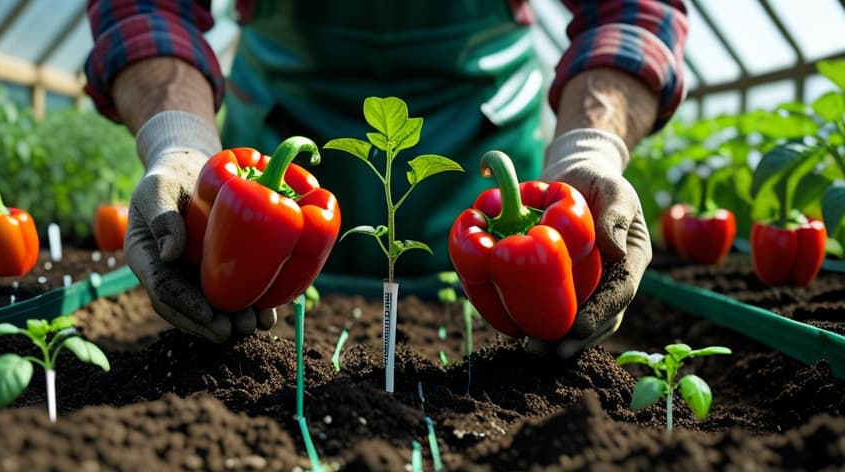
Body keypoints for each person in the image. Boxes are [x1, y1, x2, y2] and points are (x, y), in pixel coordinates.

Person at [84, 0, 688, 357]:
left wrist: (592, 147)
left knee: (512, 316)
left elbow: (631, 8)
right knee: (240, 316)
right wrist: (179, 143)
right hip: (279, 123)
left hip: (486, 127)